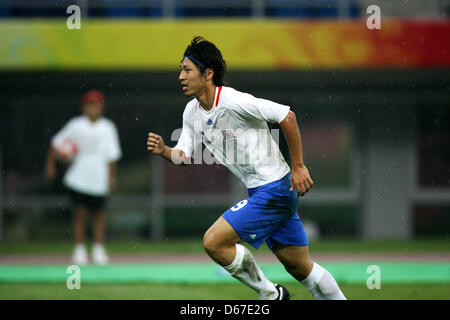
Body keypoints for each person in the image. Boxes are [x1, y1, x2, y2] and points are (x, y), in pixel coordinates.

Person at [147, 36, 346, 300]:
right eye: (180, 70)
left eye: (187, 70)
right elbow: (184, 155)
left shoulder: (232, 100)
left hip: (274, 188)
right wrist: (165, 151)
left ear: (208, 73)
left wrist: (298, 166)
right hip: (264, 192)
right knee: (300, 267)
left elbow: (287, 116)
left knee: (213, 241)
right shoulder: (191, 111)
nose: (181, 76)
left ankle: (270, 294)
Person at [45, 90, 122, 265]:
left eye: (96, 105)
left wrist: (111, 177)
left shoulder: (107, 127)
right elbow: (56, 143)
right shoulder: (76, 125)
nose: (93, 108)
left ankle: (98, 249)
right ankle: (79, 249)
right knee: (79, 214)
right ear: (84, 107)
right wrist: (50, 165)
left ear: (102, 107)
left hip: (99, 178)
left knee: (99, 215)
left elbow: (112, 155)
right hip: (78, 177)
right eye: (90, 105)